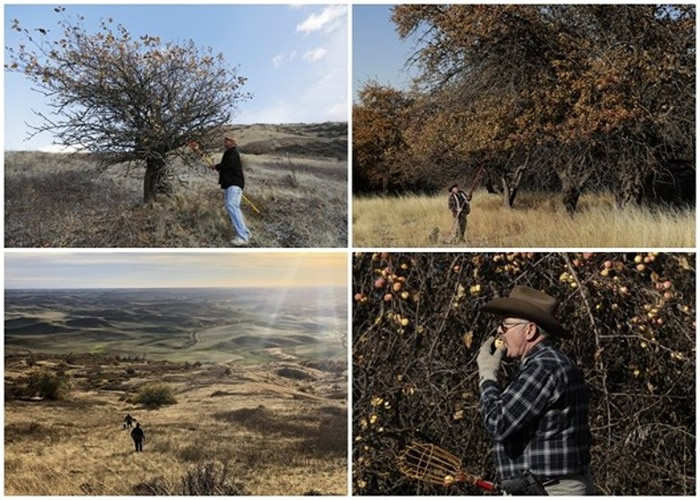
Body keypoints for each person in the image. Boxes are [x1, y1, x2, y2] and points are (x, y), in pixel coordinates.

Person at [475, 285, 593, 495]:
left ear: (529, 330)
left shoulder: (543, 367)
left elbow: (498, 423)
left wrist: (487, 375)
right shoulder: (547, 364)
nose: (499, 333)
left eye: (505, 326)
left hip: (551, 490)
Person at [212, 134, 251, 246]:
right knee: (231, 206)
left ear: (233, 142)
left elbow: (227, 165)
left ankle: (243, 237)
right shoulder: (229, 153)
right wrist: (218, 168)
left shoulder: (233, 152)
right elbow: (227, 166)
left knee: (232, 206)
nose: (224, 142)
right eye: (225, 140)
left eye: (227, 140)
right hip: (230, 184)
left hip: (234, 184)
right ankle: (246, 233)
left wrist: (217, 167)